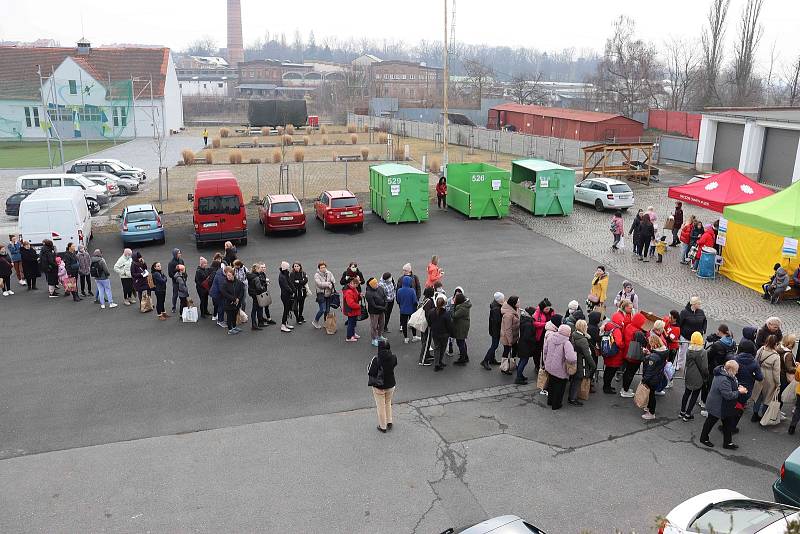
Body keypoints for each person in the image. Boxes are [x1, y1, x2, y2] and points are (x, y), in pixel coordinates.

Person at [700, 360, 746, 449]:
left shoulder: (723, 374)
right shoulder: (724, 379)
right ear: (731, 370)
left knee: (727, 423)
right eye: (736, 370)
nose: (737, 372)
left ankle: (727, 443)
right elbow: (728, 395)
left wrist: (737, 387)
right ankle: (704, 438)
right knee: (711, 422)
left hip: (722, 405)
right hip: (719, 406)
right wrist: (739, 391)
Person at [544, 324, 577, 410]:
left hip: (550, 366)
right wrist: (575, 355)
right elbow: (571, 358)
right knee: (560, 387)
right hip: (560, 369)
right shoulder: (566, 343)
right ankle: (556, 404)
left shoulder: (550, 337)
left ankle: (550, 401)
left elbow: (545, 351)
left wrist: (545, 362)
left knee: (551, 385)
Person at [732, 339, 763, 429]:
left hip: (733, 386)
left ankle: (726, 425)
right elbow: (760, 377)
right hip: (746, 390)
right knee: (739, 407)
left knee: (730, 406)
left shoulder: (735, 359)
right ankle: (733, 426)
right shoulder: (754, 363)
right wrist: (752, 376)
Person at [750, 335, 781, 422]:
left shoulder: (761, 349)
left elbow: (755, 360)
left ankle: (754, 414)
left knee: (758, 396)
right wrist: (778, 383)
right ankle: (764, 416)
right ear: (775, 344)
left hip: (759, 374)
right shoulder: (776, 356)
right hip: (769, 378)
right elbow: (776, 372)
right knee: (768, 398)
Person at [680, 332, 709, 421]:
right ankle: (688, 414)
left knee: (686, 393)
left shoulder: (689, 350)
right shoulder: (703, 352)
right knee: (695, 395)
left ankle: (682, 411)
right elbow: (704, 367)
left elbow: (687, 363)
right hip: (698, 376)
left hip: (689, 373)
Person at [620, 312, 649, 397]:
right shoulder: (638, 333)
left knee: (627, 372)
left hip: (627, 353)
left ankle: (624, 389)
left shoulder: (629, 326)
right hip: (634, 356)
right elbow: (643, 342)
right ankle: (625, 390)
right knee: (630, 373)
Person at [371, 340, 397, 433]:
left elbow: (371, 372)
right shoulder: (394, 358)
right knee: (388, 402)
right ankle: (389, 421)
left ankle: (383, 426)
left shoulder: (376, 360)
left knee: (380, 406)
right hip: (391, 385)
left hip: (379, 387)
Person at [569, 320, 597, 406]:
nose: (587, 327)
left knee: (574, 380)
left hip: (574, 361)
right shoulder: (583, 340)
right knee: (578, 380)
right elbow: (587, 355)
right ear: (583, 328)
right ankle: (573, 399)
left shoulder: (573, 334)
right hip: (581, 363)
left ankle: (571, 397)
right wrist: (593, 366)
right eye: (586, 326)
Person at [640, 335, 668, 419]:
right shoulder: (663, 351)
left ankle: (651, 413)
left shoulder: (653, 357)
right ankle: (649, 408)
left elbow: (649, 371)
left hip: (652, 379)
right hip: (658, 376)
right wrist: (649, 353)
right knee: (651, 394)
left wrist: (644, 380)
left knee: (651, 396)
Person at [677, 296, 707, 369]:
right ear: (693, 304)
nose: (700, 305)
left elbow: (704, 321)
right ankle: (678, 365)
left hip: (696, 338)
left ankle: (690, 366)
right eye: (698, 304)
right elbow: (679, 323)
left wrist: (703, 329)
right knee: (682, 352)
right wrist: (678, 335)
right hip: (685, 336)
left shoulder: (701, 312)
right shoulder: (684, 312)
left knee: (694, 353)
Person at [426, 295, 453, 372]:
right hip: (444, 334)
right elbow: (449, 325)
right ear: (444, 304)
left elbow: (429, 322)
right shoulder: (446, 314)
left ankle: (437, 363)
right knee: (442, 348)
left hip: (435, 333)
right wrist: (450, 332)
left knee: (437, 348)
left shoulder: (431, 312)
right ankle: (440, 361)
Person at [481, 292, 505, 370]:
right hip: (496, 331)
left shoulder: (495, 305)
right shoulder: (496, 309)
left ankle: (491, 359)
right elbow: (497, 321)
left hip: (493, 329)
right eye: (502, 298)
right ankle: (485, 360)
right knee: (494, 346)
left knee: (494, 345)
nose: (503, 300)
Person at [499, 295, 521, 375]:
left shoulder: (514, 309)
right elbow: (508, 329)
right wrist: (510, 341)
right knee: (506, 351)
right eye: (518, 302)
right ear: (513, 303)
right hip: (508, 338)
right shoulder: (508, 315)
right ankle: (504, 367)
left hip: (514, 336)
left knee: (514, 350)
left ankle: (512, 364)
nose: (519, 303)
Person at [220, 266, 244, 335]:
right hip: (228, 303)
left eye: (229, 275)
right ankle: (230, 329)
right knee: (229, 316)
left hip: (236, 303)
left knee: (234, 315)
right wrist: (234, 299)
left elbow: (241, 291)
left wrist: (238, 299)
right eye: (227, 275)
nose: (228, 277)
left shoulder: (238, 282)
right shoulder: (225, 283)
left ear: (233, 275)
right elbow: (224, 293)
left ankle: (234, 326)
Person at [532, 298, 554, 372]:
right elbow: (535, 323)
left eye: (549, 308)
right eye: (546, 309)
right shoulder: (537, 312)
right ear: (542, 308)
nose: (548, 310)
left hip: (548, 335)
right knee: (537, 352)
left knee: (547, 351)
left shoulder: (551, 311)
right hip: (540, 335)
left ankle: (544, 365)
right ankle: (537, 366)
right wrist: (546, 324)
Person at [515, 306, 536, 384]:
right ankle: (518, 378)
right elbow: (527, 336)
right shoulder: (528, 324)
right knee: (523, 361)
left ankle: (520, 375)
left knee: (522, 361)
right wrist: (534, 340)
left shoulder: (524, 319)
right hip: (525, 346)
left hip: (522, 344)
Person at [396, 274, 419, 343]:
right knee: (412, 323)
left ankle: (406, 338)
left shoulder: (399, 290)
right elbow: (415, 301)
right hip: (412, 310)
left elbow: (398, 300)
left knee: (404, 324)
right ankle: (414, 336)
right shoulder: (412, 291)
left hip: (403, 310)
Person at [312, 261, 336, 329]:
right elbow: (319, 284)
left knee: (327, 310)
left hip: (329, 294)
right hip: (321, 294)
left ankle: (326, 322)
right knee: (322, 309)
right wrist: (328, 284)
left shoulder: (329, 273)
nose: (323, 269)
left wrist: (330, 284)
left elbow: (333, 281)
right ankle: (315, 321)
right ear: (319, 268)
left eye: (324, 267)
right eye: (321, 267)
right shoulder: (316, 275)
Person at [451, 291, 471, 365]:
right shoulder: (464, 305)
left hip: (461, 327)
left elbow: (454, 315)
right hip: (463, 325)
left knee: (460, 342)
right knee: (462, 341)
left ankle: (462, 359)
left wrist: (452, 306)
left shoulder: (462, 308)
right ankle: (465, 356)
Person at [366, 277, 387, 346]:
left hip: (381, 310)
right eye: (375, 284)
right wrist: (383, 308)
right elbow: (373, 305)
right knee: (374, 326)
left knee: (382, 324)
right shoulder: (368, 293)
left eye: (377, 283)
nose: (377, 285)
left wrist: (385, 305)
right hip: (374, 312)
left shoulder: (380, 288)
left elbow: (385, 297)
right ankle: (374, 339)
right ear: (371, 285)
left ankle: (379, 335)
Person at [417, 286, 436, 365]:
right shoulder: (429, 302)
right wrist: (431, 324)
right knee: (426, 342)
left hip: (423, 324)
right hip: (427, 325)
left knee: (425, 341)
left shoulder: (425, 299)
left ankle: (427, 355)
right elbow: (429, 315)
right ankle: (423, 359)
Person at [247, 263, 267, 330]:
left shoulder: (250, 275)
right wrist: (263, 287)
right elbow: (259, 288)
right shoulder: (256, 277)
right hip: (257, 294)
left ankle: (258, 323)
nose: (260, 269)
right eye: (259, 268)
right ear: (256, 269)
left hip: (253, 294)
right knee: (256, 309)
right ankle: (255, 324)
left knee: (257, 308)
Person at [343, 277, 361, 342]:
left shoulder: (353, 289)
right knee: (351, 324)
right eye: (356, 284)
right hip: (350, 310)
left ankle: (352, 334)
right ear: (352, 283)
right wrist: (359, 306)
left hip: (353, 310)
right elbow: (351, 303)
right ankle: (349, 337)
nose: (356, 286)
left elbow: (356, 295)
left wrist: (359, 295)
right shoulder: (349, 292)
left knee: (353, 323)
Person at [278, 261, 295, 332]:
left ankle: (285, 323)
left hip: (287, 295)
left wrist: (293, 289)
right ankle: (283, 325)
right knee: (286, 310)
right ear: (285, 268)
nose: (288, 269)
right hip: (285, 295)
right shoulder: (282, 276)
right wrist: (292, 291)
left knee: (287, 310)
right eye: (287, 267)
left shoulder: (285, 274)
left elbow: (289, 282)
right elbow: (286, 286)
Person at [167, 248, 185, 314]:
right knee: (175, 294)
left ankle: (183, 305)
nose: (180, 254)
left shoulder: (181, 260)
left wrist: (184, 274)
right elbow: (170, 274)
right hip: (175, 282)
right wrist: (177, 271)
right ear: (175, 254)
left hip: (182, 280)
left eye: (180, 253)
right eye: (178, 253)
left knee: (183, 294)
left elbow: (184, 269)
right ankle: (173, 307)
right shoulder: (171, 263)